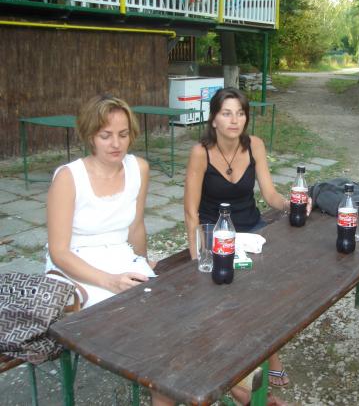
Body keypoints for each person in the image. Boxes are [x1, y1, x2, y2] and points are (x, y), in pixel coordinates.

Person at [44, 94, 171, 406]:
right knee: (139, 328)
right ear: (90, 136)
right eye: (106, 135)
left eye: (123, 134)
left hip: (119, 255)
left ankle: (170, 384)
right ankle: (166, 384)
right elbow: (59, 252)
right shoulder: (69, 177)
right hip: (75, 265)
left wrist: (143, 262)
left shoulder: (139, 168)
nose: (116, 144)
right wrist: (109, 280)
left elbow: (136, 226)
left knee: (167, 316)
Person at [184, 87, 309, 389]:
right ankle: (238, 360)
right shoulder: (201, 152)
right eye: (226, 113)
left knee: (267, 291)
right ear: (213, 119)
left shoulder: (255, 145)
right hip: (216, 234)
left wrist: (292, 204)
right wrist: (197, 257)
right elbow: (190, 211)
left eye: (240, 113)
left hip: (252, 229)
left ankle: (264, 355)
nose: (234, 120)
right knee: (223, 293)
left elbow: (269, 194)